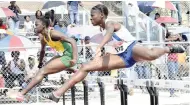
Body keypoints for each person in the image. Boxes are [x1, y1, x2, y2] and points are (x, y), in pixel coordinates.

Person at [36, 4, 185, 103]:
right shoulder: (98, 31)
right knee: (86, 67)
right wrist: (87, 40)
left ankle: (168, 49)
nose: (91, 18)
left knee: (151, 55)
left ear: (102, 15)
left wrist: (100, 46)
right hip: (120, 57)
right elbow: (99, 39)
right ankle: (57, 93)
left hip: (132, 48)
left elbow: (108, 34)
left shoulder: (110, 23)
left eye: (93, 15)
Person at [8, 16, 78, 101]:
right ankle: (75, 70)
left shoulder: (53, 33)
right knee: (44, 68)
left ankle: (22, 93)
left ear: (44, 25)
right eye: (34, 24)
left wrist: (74, 59)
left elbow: (72, 41)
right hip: (63, 54)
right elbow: (42, 51)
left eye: (37, 24)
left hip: (69, 55)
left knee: (42, 72)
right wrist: (40, 63)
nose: (35, 26)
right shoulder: (44, 38)